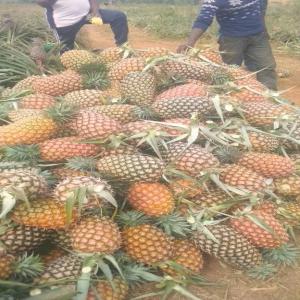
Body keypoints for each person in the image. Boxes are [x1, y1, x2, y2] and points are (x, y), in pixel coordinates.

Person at [177, 0, 277, 90]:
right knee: (230, 71)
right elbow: (204, 19)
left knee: (266, 66)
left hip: (258, 36)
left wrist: (263, 29)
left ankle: (269, 96)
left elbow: (261, 5)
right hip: (232, 41)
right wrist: (190, 42)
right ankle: (230, 97)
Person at [36, 0, 128, 53]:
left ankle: (122, 48)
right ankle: (43, 48)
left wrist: (95, 11)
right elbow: (41, 2)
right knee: (65, 51)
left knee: (118, 17)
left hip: (87, 16)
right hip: (65, 23)